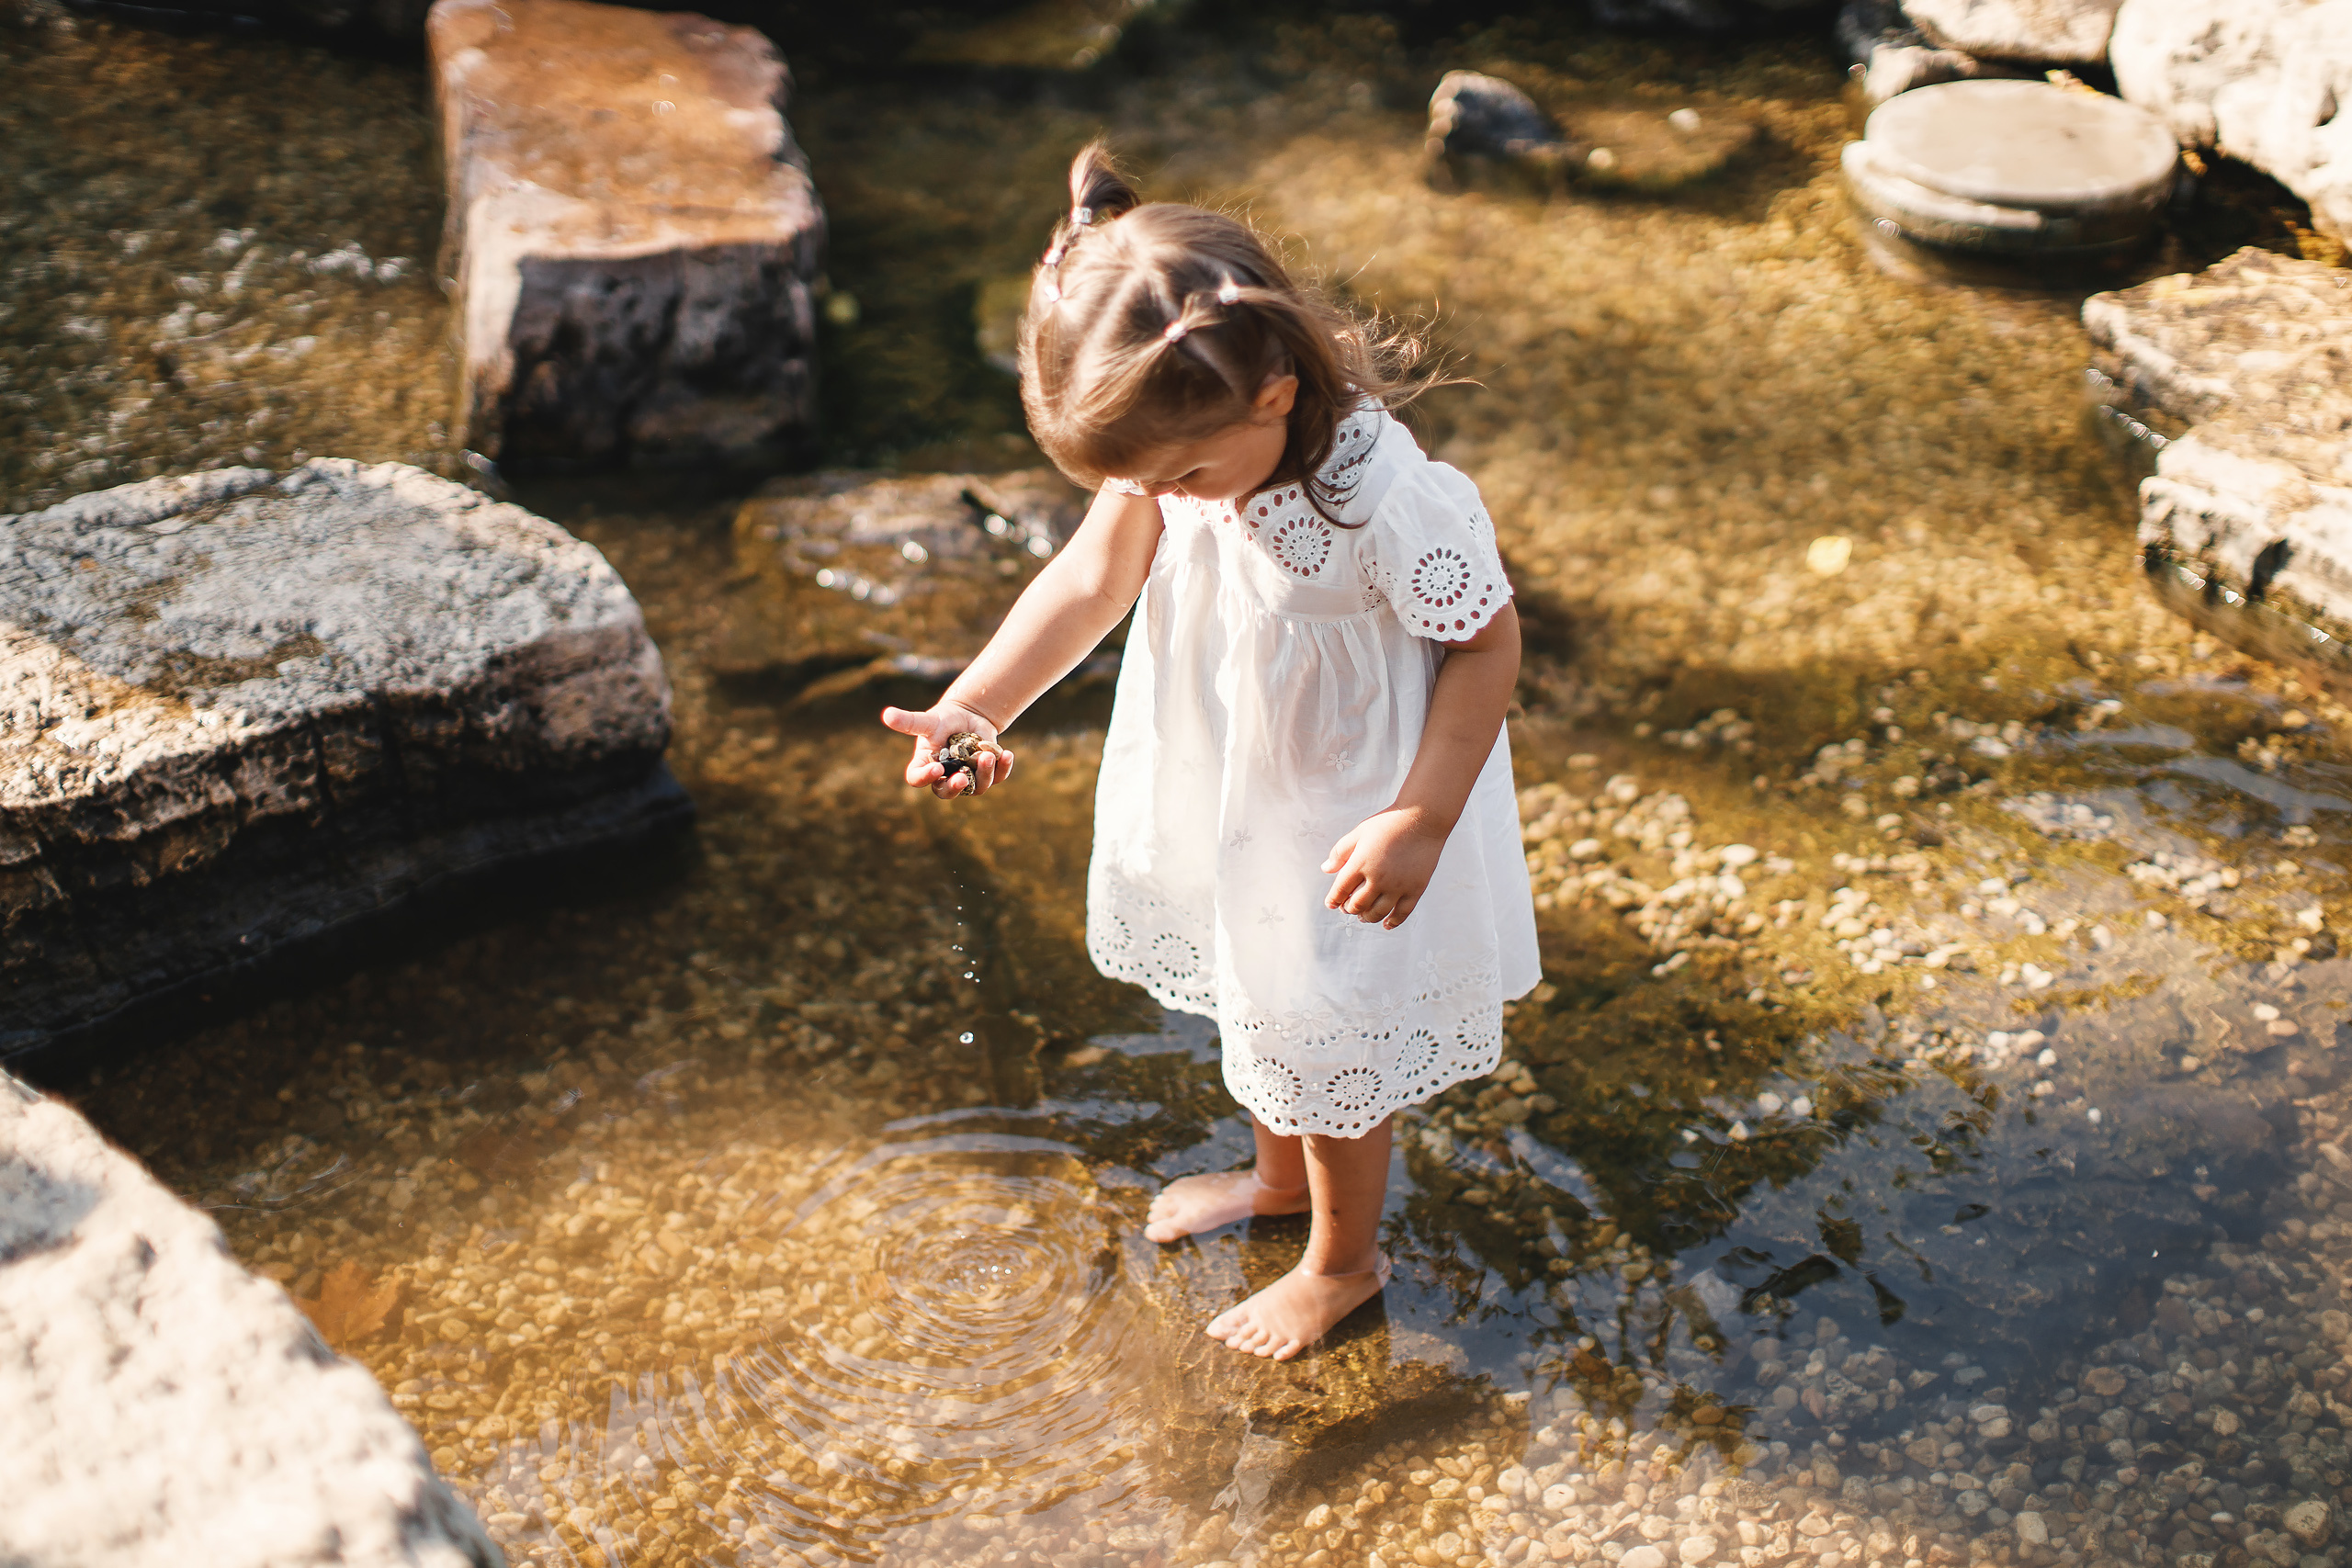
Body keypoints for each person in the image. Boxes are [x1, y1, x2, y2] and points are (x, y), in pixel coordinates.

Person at [883, 141, 1539, 1361]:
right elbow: (1092, 579)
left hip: (1352, 801)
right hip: (1237, 778)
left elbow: (1486, 651)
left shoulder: (1382, 499)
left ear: (1276, 392)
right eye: (1141, 476)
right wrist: (978, 706)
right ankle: (1277, 1185)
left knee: (1329, 1018)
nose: (1167, 494)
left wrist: (1424, 820)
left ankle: (1344, 1261)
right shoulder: (1176, 437)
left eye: (1184, 472)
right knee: (1262, 984)